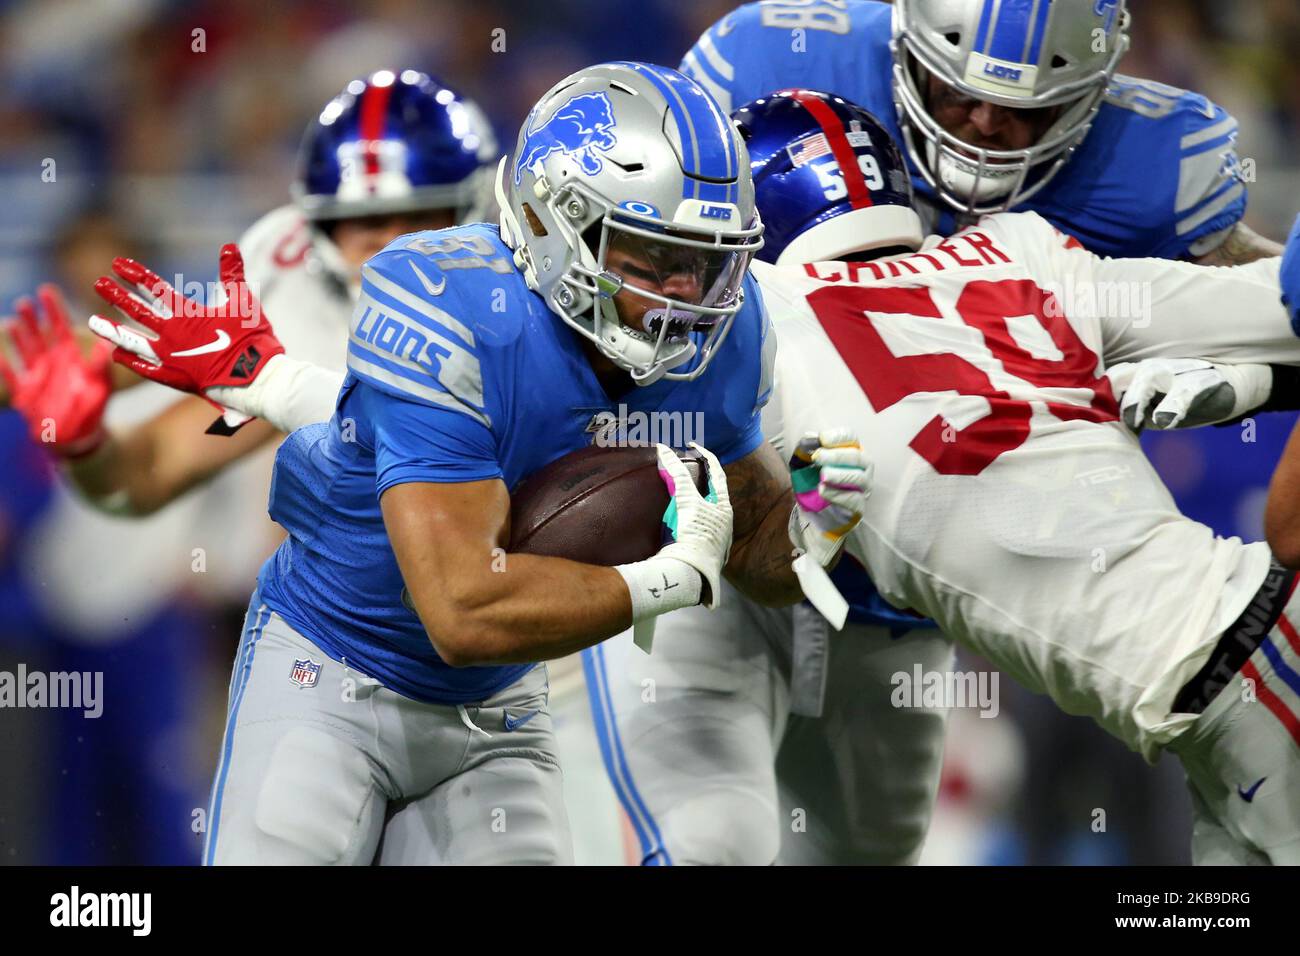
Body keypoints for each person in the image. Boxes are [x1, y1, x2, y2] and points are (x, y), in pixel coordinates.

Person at [85, 61, 870, 865]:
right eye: (645, 256)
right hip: (333, 663)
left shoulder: (727, 336)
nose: (682, 297)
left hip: (499, 702)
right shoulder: (445, 299)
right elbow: (462, 610)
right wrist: (669, 580)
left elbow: (750, 548)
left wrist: (810, 527)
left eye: (701, 261)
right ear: (546, 221)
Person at [740, 103, 1300, 865]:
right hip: (1230, 671)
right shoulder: (1019, 251)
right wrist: (1257, 381)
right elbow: (1276, 304)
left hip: (1241, 668)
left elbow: (753, 554)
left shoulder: (763, 326)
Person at [681, 0, 1281, 264]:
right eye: (958, 93)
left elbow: (1270, 300)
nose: (988, 123)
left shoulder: (1161, 163)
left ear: (1089, 92)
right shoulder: (766, 61)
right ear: (907, 52)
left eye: (1027, 110)